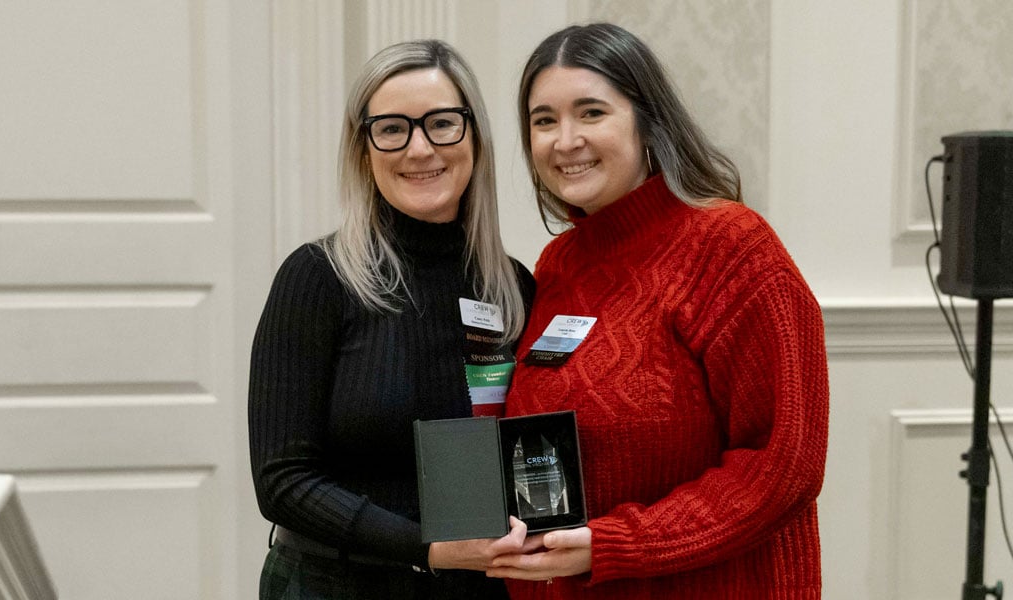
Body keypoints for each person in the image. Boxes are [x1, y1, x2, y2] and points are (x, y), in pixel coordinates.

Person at [488, 23, 830, 599]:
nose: (565, 140)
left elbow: (783, 465)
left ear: (648, 122)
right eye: (544, 120)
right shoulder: (558, 264)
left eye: (591, 113)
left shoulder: (731, 247)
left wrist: (618, 544)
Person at [248, 39, 535, 599]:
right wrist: (427, 549)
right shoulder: (318, 277)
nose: (419, 148)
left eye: (442, 124)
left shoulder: (512, 287)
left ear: (475, 138)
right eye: (392, 129)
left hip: (477, 588)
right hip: (333, 586)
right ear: (364, 150)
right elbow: (281, 482)